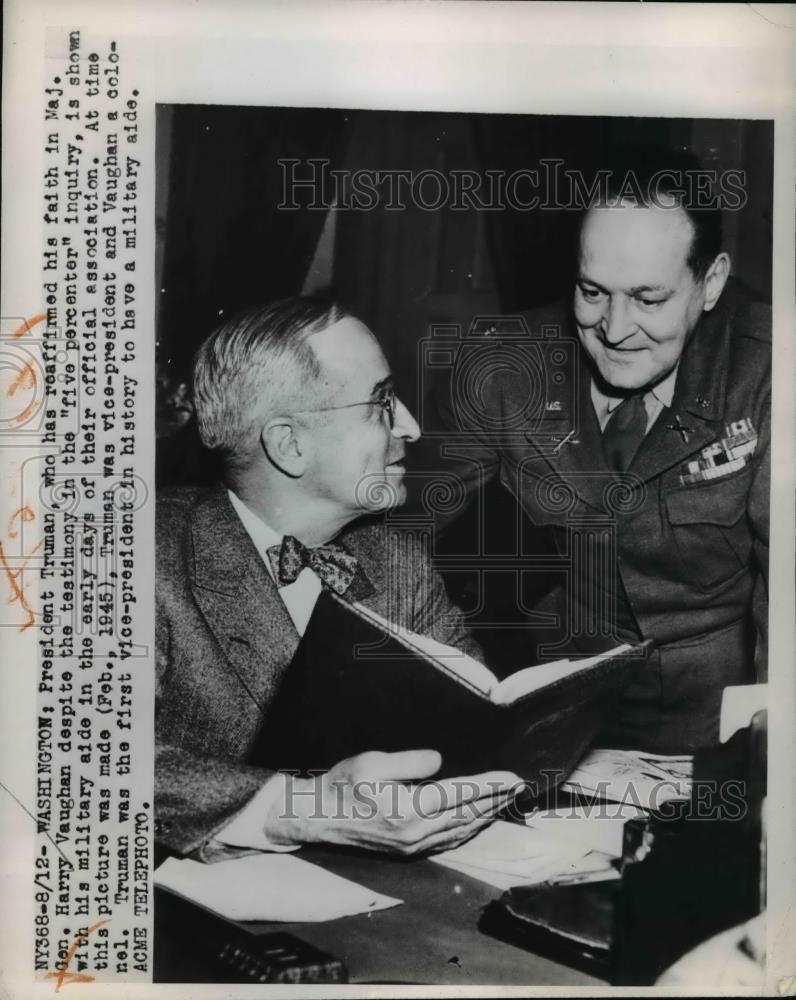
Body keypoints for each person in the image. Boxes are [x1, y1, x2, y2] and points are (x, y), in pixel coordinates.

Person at [412, 150, 770, 754]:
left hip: (720, 721)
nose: (615, 328)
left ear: (710, 283)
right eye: (592, 292)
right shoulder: (502, 365)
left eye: (648, 299)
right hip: (559, 710)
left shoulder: (767, 368)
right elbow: (405, 532)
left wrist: (768, 756)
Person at [155, 297, 519, 861]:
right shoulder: (131, 557)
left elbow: (472, 731)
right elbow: (78, 759)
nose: (412, 426)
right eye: (380, 403)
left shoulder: (398, 564)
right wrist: (302, 811)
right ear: (289, 445)